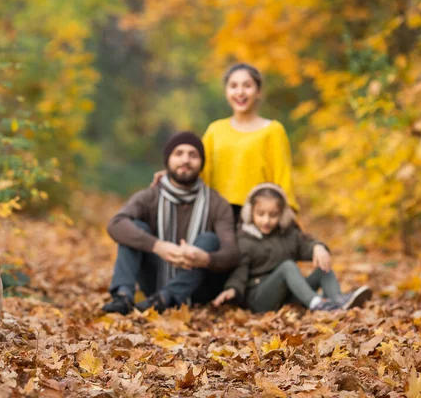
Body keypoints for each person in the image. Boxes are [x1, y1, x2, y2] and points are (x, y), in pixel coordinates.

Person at [102, 132, 239, 314]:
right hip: (155, 278)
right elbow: (115, 224)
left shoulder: (216, 203)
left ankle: (166, 298)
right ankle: (123, 296)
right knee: (134, 228)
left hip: (198, 286)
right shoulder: (150, 195)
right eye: (178, 153)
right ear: (168, 161)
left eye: (193, 155)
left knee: (209, 240)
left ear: (202, 163)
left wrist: (205, 259)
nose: (185, 160)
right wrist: (158, 246)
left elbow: (232, 253)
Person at [152, 63, 299, 225]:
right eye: (233, 86)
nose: (240, 92)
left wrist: (288, 212)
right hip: (217, 215)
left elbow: (283, 176)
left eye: (247, 86)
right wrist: (172, 175)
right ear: (226, 92)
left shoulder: (273, 131)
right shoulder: (216, 130)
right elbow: (199, 169)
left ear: (258, 92)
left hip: (258, 216)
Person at [213, 183, 372, 312]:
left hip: (288, 297)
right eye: (260, 214)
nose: (266, 220)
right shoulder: (245, 239)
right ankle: (317, 304)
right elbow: (240, 271)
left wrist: (318, 246)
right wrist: (233, 289)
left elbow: (305, 244)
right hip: (260, 299)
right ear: (251, 213)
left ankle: (338, 301)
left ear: (281, 214)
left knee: (324, 270)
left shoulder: (288, 235)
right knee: (288, 266)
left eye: (273, 215)